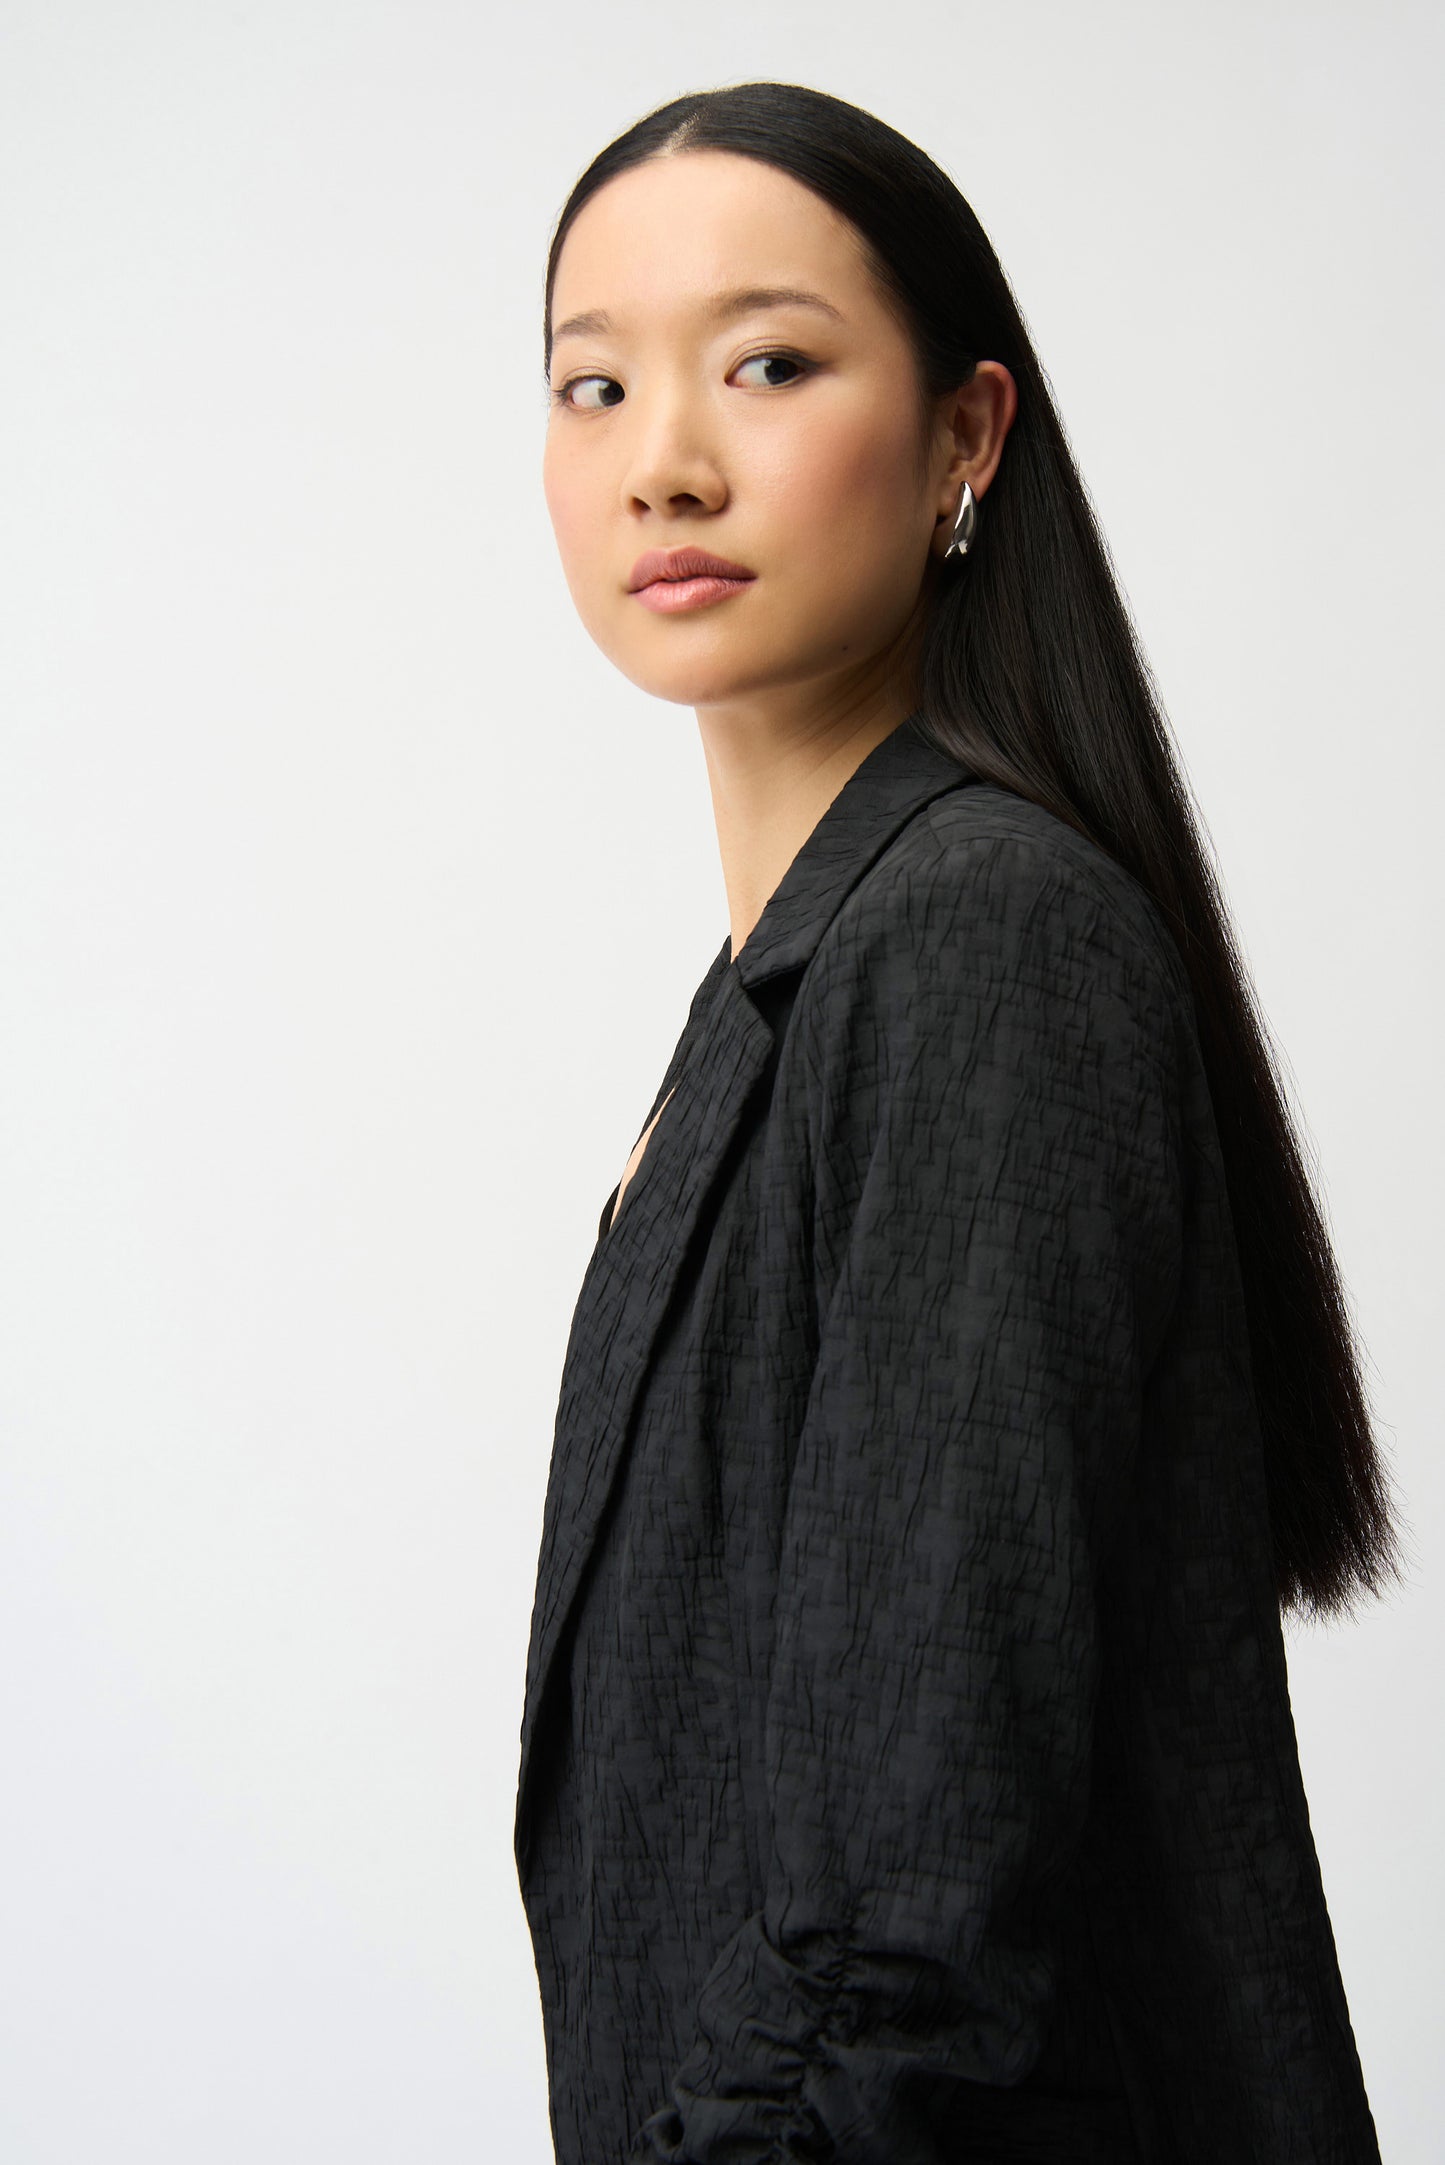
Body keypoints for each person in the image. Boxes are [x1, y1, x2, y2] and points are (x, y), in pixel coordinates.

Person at [513, 79, 1401, 2165]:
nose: (666, 460)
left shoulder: (984, 941)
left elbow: (897, 1943)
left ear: (966, 440)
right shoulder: (795, 990)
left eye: (769, 362)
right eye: (590, 382)